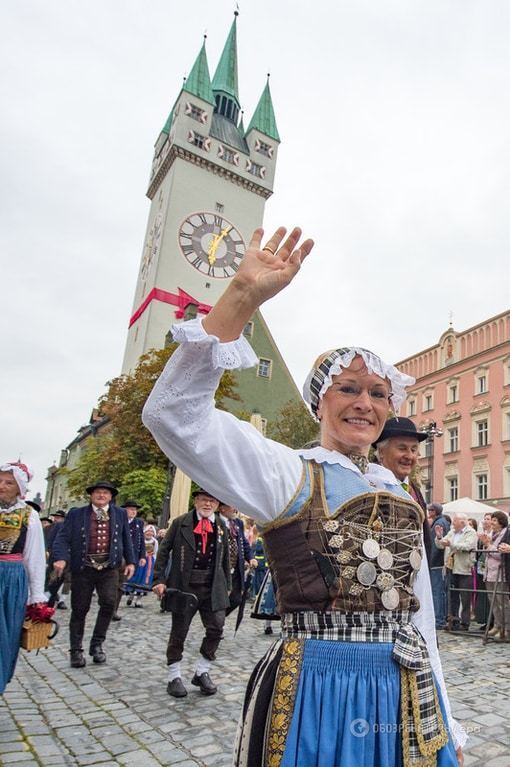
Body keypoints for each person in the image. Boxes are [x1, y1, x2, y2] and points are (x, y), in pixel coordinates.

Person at [142, 226, 465, 766]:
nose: (365, 403)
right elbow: (173, 415)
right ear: (320, 403)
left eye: (378, 394)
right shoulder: (287, 471)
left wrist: (445, 713)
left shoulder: (401, 496)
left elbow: (419, 622)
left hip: (401, 688)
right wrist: (241, 299)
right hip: (316, 685)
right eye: (349, 388)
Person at [152, 489, 231, 698]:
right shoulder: (180, 523)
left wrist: (228, 586)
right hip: (184, 587)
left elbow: (225, 558)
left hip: (212, 586)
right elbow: (164, 550)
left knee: (216, 628)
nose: (208, 504)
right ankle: (173, 676)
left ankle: (202, 671)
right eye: (204, 500)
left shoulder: (220, 525)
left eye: (212, 501)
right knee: (179, 632)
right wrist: (159, 580)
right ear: (196, 501)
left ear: (217, 504)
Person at [52, 480, 135, 668]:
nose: (101, 495)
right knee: (80, 608)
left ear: (111, 497)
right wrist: (61, 558)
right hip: (84, 568)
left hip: (109, 568)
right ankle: (75, 650)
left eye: (105, 493)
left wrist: (131, 561)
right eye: (98, 492)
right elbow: (62, 538)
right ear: (91, 495)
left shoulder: (120, 514)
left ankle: (97, 644)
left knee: (108, 603)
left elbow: (125, 538)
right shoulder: (77, 514)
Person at [0, 462, 47, 694]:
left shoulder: (29, 515)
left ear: (19, 488)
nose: (2, 486)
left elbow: (35, 557)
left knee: (6, 633)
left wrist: (37, 595)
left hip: (11, 579)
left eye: (8, 482)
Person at [372, 417, 432, 564]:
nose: (410, 456)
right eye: (402, 448)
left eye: (413, 449)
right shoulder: (370, 486)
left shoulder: (415, 489)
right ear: (381, 452)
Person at [435, 513, 477, 632]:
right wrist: (439, 537)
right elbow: (441, 545)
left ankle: (465, 623)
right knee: (452, 596)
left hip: (464, 568)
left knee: (465, 597)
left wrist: (451, 544)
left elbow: (468, 546)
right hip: (451, 567)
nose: (452, 523)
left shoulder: (471, 532)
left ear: (462, 522)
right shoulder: (453, 532)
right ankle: (453, 621)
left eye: (455, 521)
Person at [217, 503, 256, 615]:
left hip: (235, 569)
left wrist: (251, 558)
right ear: (222, 508)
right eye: (231, 505)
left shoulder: (238, 523)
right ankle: (216, 622)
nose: (235, 509)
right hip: (220, 568)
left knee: (236, 599)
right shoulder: (215, 521)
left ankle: (218, 618)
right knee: (219, 598)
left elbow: (243, 543)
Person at [113, 500, 146, 620]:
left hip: (131, 558)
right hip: (118, 557)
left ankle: (114, 610)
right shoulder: (119, 521)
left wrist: (142, 556)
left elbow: (141, 541)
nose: (133, 512)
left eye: (135, 510)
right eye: (131, 509)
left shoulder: (138, 523)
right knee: (112, 583)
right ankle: (108, 608)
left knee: (121, 585)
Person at [479, 511, 510, 639]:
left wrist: (487, 545)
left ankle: (507, 627)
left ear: (501, 522)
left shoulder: (505, 534)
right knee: (493, 602)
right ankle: (498, 625)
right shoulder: (491, 534)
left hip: (499, 573)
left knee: (502, 602)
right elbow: (487, 553)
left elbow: (499, 554)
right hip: (489, 572)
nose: (491, 522)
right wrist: (487, 545)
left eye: (494, 520)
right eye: (491, 520)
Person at [427, 503, 450, 629]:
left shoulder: (439, 523)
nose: (429, 511)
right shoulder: (441, 521)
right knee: (441, 592)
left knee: (437, 592)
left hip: (437, 563)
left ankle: (439, 619)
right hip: (439, 562)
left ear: (435, 511)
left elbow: (436, 546)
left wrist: (431, 561)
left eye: (431, 510)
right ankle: (441, 617)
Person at [125, 524, 159, 607]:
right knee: (136, 578)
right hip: (140, 561)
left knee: (145, 581)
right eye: (148, 531)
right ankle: (131, 596)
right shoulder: (140, 540)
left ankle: (138, 600)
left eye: (151, 532)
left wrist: (154, 563)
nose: (149, 533)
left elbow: (155, 552)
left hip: (149, 563)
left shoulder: (155, 541)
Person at [44, 510, 67, 609]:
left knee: (53, 585)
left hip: (63, 561)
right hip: (50, 559)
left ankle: (49, 607)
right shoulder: (48, 528)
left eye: (59, 517)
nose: (56, 519)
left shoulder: (65, 527)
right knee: (47, 584)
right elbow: (48, 542)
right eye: (55, 517)